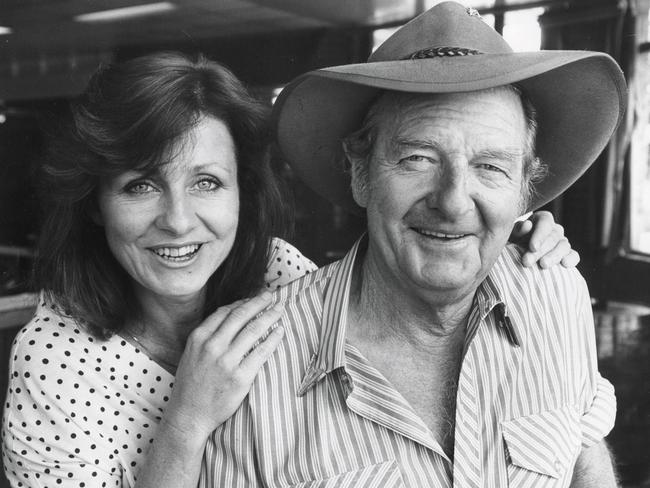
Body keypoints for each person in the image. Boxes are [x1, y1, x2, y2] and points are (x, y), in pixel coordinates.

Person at [1, 50, 575, 488]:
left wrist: (509, 238)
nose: (178, 221)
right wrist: (186, 421)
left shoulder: (276, 275)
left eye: (206, 182)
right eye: (140, 186)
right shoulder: (55, 358)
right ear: (94, 204)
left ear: (241, 195)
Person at [200, 3, 626, 488]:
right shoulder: (250, 368)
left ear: (524, 190)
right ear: (361, 173)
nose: (452, 202)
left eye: (491, 166)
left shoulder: (557, 293)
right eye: (418, 158)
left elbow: (581, 450)